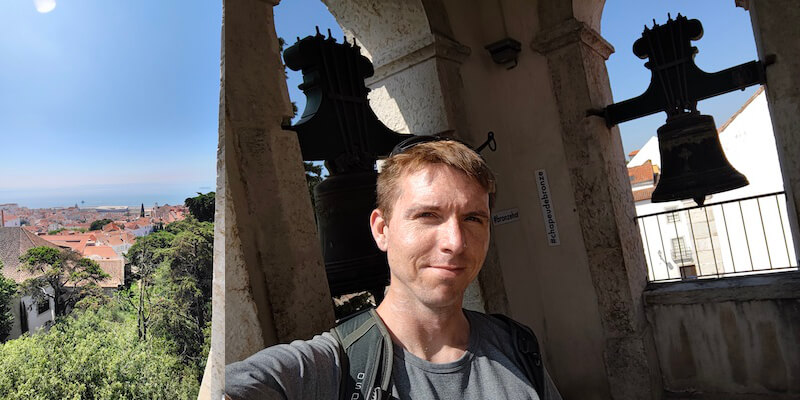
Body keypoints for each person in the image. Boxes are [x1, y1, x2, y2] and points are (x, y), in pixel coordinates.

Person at [226, 136, 563, 400]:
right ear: (382, 229)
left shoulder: (518, 347)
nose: (456, 242)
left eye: (473, 218)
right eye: (427, 215)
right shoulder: (328, 369)